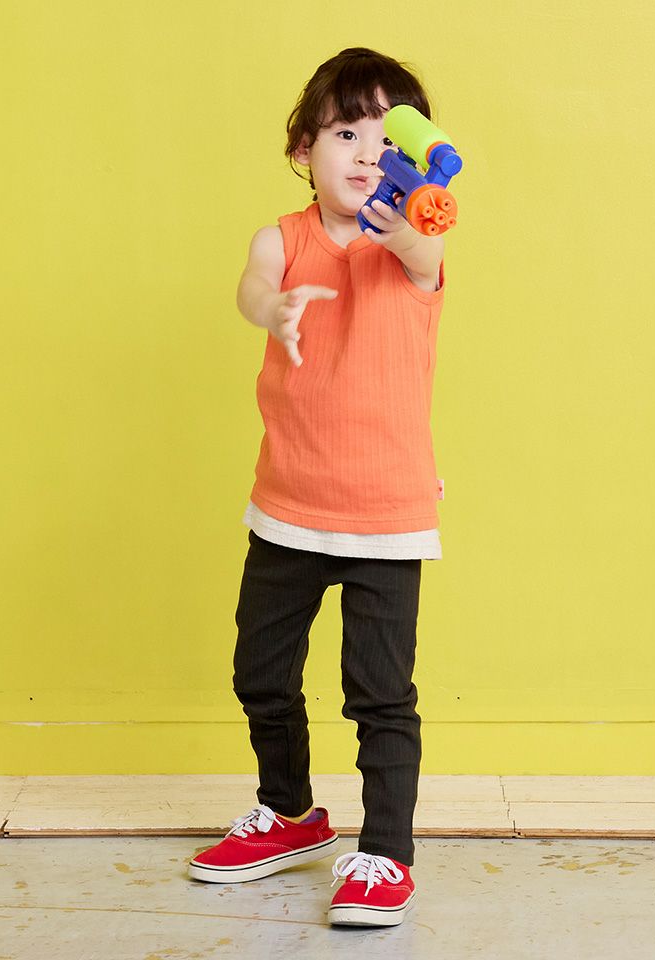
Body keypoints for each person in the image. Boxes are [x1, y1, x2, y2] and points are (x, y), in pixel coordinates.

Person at [188, 47, 449, 928]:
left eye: (388, 139)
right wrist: (273, 308)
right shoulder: (282, 238)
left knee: (380, 694)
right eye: (347, 134)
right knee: (260, 673)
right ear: (304, 148)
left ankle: (385, 853)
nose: (368, 153)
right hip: (288, 508)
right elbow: (252, 284)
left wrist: (406, 214)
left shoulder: (411, 244)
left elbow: (420, 248)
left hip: (387, 515)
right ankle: (291, 811)